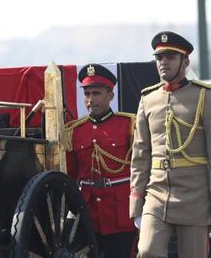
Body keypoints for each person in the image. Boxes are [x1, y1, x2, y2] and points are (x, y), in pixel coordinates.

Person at [130, 31, 211, 258]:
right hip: (156, 194)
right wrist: (136, 204)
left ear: (185, 62)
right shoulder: (148, 99)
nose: (163, 62)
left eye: (170, 57)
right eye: (159, 57)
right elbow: (140, 155)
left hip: (195, 196)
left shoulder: (204, 97)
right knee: (146, 251)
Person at [65, 64, 136, 258]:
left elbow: (139, 168)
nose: (90, 100)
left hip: (120, 211)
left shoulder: (129, 125)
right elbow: (71, 174)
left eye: (96, 93)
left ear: (110, 96)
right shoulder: (74, 131)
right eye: (87, 94)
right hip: (88, 212)